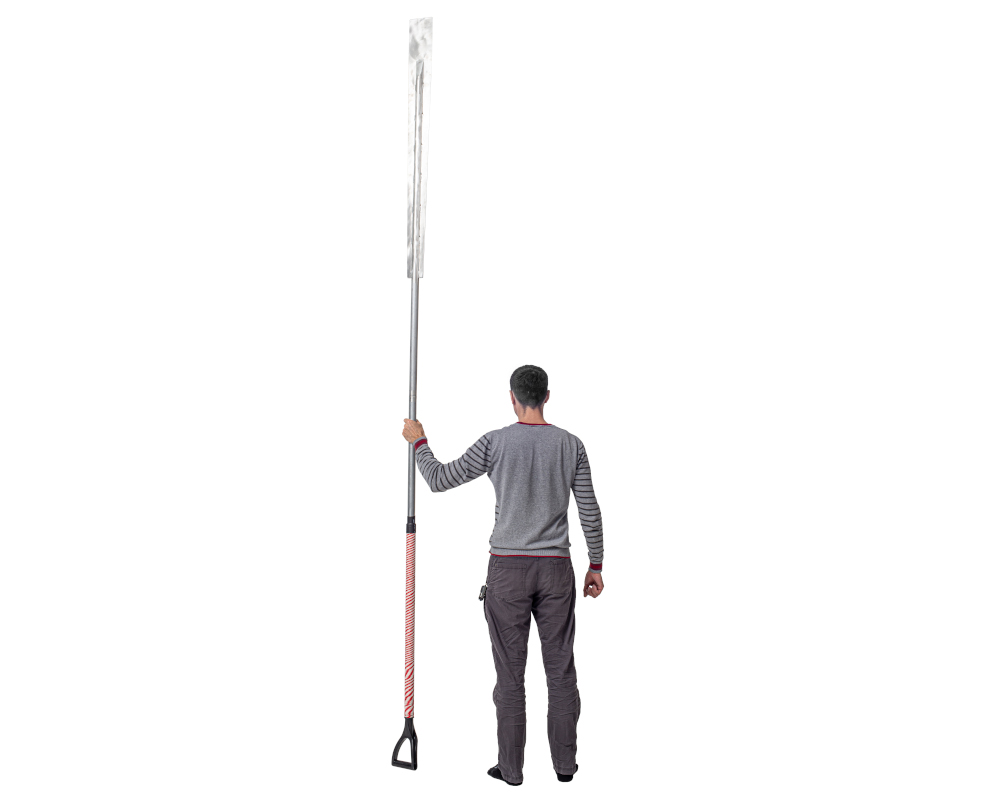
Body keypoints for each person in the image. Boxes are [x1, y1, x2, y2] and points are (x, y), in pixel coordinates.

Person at [400, 364, 604, 786]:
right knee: (561, 671)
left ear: (512, 397)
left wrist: (419, 441)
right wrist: (596, 565)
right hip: (556, 571)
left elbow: (439, 479)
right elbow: (589, 509)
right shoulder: (571, 445)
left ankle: (511, 772)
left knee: (511, 677)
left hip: (508, 572)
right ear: (547, 396)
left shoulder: (495, 442)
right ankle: (565, 768)